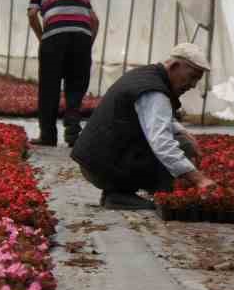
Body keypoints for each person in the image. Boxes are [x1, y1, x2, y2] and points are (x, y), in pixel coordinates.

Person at [71, 42, 216, 210]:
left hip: (94, 162)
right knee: (180, 146)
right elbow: (162, 142)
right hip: (102, 168)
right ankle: (120, 194)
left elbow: (157, 117)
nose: (192, 85)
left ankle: (117, 192)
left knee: (183, 140)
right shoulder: (154, 91)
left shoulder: (147, 76)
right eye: (192, 77)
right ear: (175, 66)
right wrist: (200, 180)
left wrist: (184, 132)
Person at [28, 0, 99, 148]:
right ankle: (73, 134)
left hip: (55, 37)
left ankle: (48, 136)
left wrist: (42, 38)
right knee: (75, 87)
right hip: (82, 37)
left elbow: (32, 14)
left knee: (49, 86)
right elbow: (94, 20)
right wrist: (86, 45)